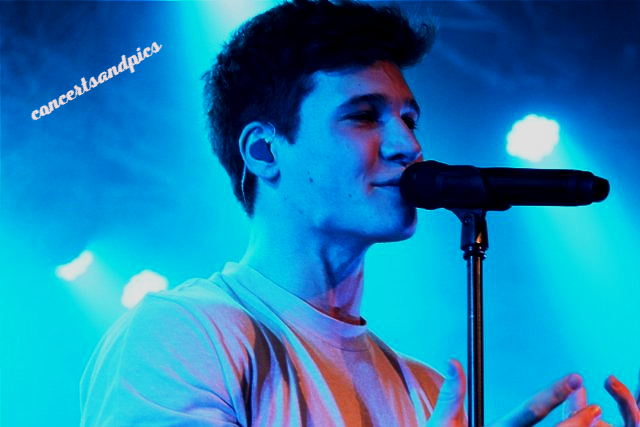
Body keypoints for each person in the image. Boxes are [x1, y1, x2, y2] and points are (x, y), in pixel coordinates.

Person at [79, 1, 639, 426]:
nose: (407, 145)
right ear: (264, 151)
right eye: (364, 116)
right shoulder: (181, 335)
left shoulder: (425, 391)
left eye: (410, 119)